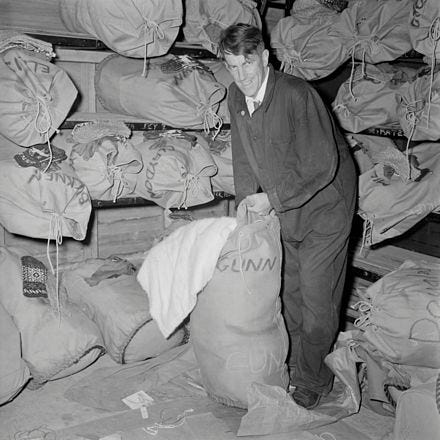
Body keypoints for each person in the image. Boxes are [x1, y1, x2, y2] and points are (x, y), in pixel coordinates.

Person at [218, 23, 357, 409]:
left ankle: (315, 379)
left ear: (265, 58)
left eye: (248, 64)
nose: (242, 76)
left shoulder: (298, 95)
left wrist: (271, 200)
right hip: (285, 209)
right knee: (289, 292)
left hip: (325, 210)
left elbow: (321, 163)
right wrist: (247, 203)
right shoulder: (236, 96)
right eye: (233, 67)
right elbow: (243, 154)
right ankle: (298, 367)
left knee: (317, 300)